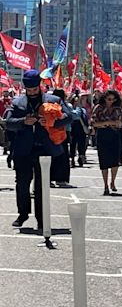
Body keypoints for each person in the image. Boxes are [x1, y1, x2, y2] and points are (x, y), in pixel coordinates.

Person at [5, 70, 72, 229]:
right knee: (22, 183)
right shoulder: (17, 102)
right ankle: (22, 214)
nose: (32, 92)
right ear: (25, 88)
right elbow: (8, 122)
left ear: (40, 86)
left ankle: (42, 219)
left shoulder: (53, 100)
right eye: (29, 90)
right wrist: (23, 121)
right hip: (23, 150)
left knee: (42, 186)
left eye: (35, 89)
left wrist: (52, 122)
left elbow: (69, 117)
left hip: (45, 149)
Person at [91, 90, 122, 195]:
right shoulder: (98, 108)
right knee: (104, 161)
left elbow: (121, 122)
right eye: (109, 99)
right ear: (104, 98)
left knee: (115, 160)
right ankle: (105, 185)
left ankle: (113, 182)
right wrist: (107, 122)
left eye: (113, 99)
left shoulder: (118, 109)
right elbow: (93, 123)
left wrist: (114, 123)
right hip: (102, 135)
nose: (111, 101)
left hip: (114, 135)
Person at [50, 89, 73, 187]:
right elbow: (71, 116)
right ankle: (61, 179)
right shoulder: (62, 106)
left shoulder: (48, 105)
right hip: (60, 133)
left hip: (51, 133)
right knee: (62, 157)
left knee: (52, 157)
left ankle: (50, 179)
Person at [69, 94, 88, 168]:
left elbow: (85, 119)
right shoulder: (70, 109)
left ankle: (81, 158)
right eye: (75, 101)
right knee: (72, 145)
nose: (77, 103)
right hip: (72, 130)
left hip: (81, 129)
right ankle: (72, 159)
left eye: (78, 101)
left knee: (81, 145)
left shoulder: (83, 110)